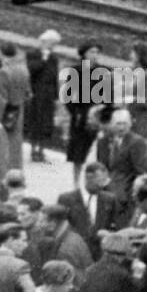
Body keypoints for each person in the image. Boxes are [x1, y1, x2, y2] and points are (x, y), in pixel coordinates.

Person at [97, 108, 147, 223]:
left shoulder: (137, 142)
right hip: (106, 189)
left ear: (131, 124)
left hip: (126, 192)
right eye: (118, 124)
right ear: (112, 124)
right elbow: (101, 166)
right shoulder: (103, 141)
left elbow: (144, 171)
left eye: (125, 124)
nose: (121, 127)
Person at [58, 161, 122, 258]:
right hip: (75, 252)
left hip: (100, 252)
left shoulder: (109, 199)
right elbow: (60, 227)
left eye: (105, 181)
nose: (103, 185)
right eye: (100, 181)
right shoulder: (66, 199)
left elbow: (116, 224)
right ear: (89, 178)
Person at [64, 39, 102, 184]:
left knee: (95, 151)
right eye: (92, 51)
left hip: (97, 114)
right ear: (84, 53)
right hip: (81, 114)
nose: (95, 54)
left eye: (97, 52)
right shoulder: (76, 71)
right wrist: (75, 112)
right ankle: (76, 182)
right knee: (78, 153)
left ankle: (93, 180)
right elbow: (68, 96)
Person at [25, 30, 61, 163]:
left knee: (46, 123)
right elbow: (32, 70)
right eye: (52, 43)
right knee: (36, 122)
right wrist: (43, 59)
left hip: (49, 94)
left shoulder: (54, 58)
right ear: (44, 41)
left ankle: (41, 150)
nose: (52, 47)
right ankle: (33, 149)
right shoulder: (33, 54)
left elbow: (55, 77)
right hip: (36, 93)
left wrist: (56, 97)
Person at [0, 40, 28, 171]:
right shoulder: (23, 69)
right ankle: (16, 171)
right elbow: (28, 93)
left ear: (1, 54)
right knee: (16, 146)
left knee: (3, 146)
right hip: (19, 111)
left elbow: (1, 99)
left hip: (6, 113)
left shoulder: (3, 72)